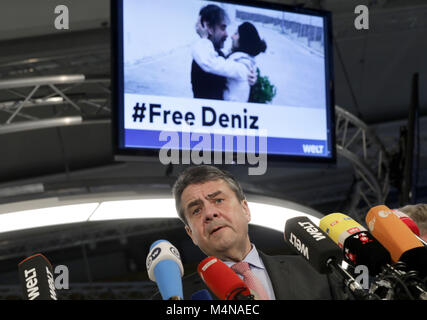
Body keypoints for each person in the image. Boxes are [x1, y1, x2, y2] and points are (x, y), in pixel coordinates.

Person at [151, 165, 349, 300]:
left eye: (218, 200)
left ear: (245, 209)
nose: (209, 213)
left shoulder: (316, 272)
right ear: (191, 233)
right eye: (196, 210)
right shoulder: (178, 298)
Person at [191, 5, 256, 100]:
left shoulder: (216, 54)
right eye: (223, 28)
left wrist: (249, 76)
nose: (227, 34)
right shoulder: (203, 60)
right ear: (208, 27)